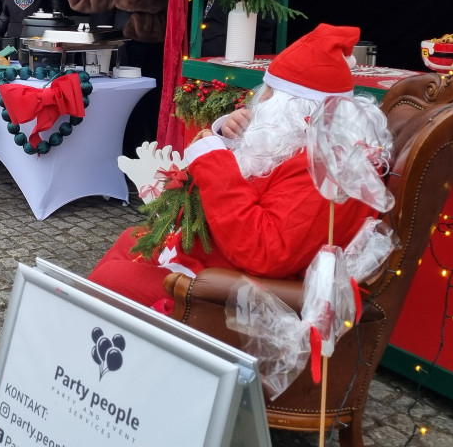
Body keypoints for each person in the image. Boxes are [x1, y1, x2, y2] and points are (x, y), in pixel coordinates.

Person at [88, 24, 392, 308]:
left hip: (235, 292)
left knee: (109, 280)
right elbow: (258, 186)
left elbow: (265, 251)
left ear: (298, 107)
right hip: (217, 258)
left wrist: (214, 159)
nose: (259, 103)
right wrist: (231, 140)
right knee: (131, 239)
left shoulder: (323, 170)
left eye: (270, 93)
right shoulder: (301, 143)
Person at [65, 0, 167, 153]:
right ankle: (158, 153)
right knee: (156, 100)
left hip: (131, 37)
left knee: (127, 103)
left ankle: (131, 158)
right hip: (162, 36)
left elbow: (90, 0)